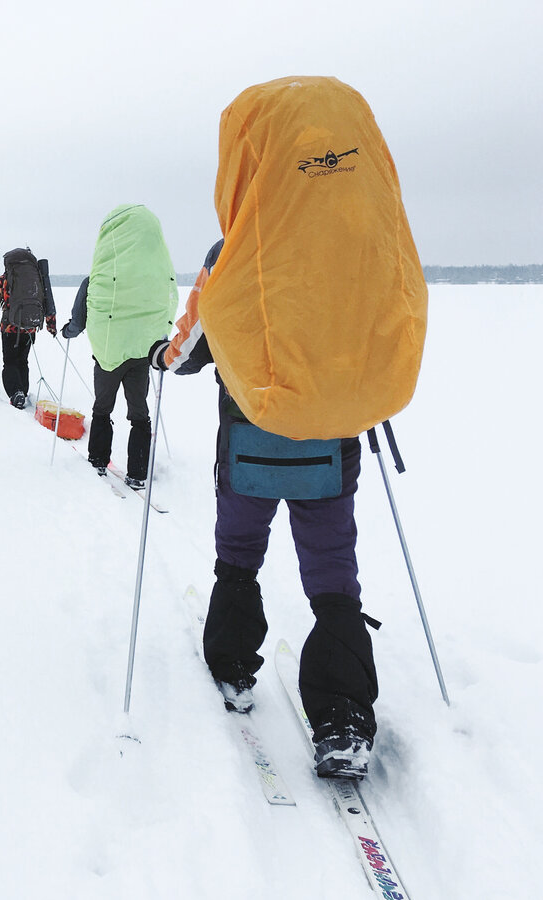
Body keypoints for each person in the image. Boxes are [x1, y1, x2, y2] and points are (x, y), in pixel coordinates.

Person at [152, 77, 428, 780]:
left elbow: (193, 346)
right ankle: (341, 713)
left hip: (247, 447)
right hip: (331, 452)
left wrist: (164, 357)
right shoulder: (356, 245)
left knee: (238, 556)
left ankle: (234, 663)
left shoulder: (232, 254)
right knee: (334, 575)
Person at [61, 204, 178, 490]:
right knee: (139, 412)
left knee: (103, 407)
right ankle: (138, 472)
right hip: (142, 352)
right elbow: (170, 301)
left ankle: (99, 460)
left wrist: (68, 332)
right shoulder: (155, 281)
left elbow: (79, 319)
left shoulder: (96, 279)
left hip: (108, 354)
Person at [0, 248, 56, 407]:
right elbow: (46, 299)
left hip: (10, 328)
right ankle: (23, 391)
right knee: (23, 361)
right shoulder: (37, 279)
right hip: (30, 327)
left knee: (10, 361)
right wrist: (51, 324)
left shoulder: (4, 279)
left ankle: (15, 393)